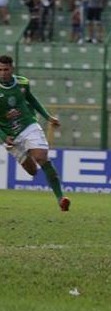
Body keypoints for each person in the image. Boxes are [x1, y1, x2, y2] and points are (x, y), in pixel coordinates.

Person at [0, 55, 70, 212]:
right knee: (32, 170)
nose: (3, 73)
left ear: (12, 69)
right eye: (0, 70)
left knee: (41, 157)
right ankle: (30, 156)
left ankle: (61, 199)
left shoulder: (22, 83)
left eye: (6, 69)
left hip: (28, 125)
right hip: (9, 135)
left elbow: (32, 100)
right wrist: (4, 137)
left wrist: (48, 117)